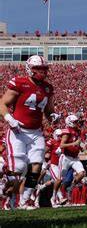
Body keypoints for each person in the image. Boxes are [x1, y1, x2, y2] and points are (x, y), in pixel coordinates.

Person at [0, 55, 60, 209]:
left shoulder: (48, 88)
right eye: (38, 68)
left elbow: (49, 110)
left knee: (37, 167)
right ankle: (4, 189)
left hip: (36, 132)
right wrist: (9, 118)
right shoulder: (19, 82)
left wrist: (53, 116)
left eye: (44, 68)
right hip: (18, 131)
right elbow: (2, 103)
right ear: (29, 69)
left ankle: (25, 199)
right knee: (18, 171)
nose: (42, 71)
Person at [58, 115, 86, 205]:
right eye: (75, 122)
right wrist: (74, 143)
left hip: (75, 158)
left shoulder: (77, 131)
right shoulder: (67, 131)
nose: (77, 123)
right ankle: (57, 196)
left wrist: (81, 147)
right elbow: (62, 145)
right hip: (66, 157)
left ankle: (70, 188)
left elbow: (78, 144)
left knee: (82, 173)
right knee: (60, 179)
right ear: (69, 122)